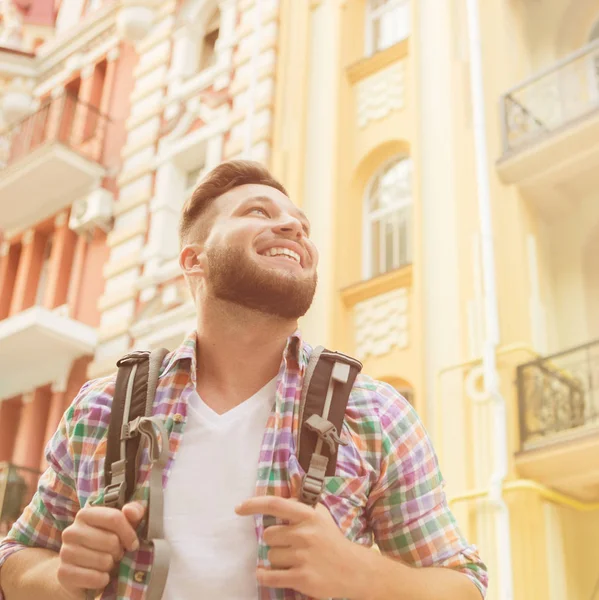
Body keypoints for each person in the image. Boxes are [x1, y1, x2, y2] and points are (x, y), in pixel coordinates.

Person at [0, 160, 487, 600]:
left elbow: (464, 587)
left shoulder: (376, 413)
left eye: (301, 222)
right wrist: (61, 574)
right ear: (195, 260)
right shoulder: (101, 408)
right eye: (257, 211)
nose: (294, 226)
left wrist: (363, 574)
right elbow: (16, 559)